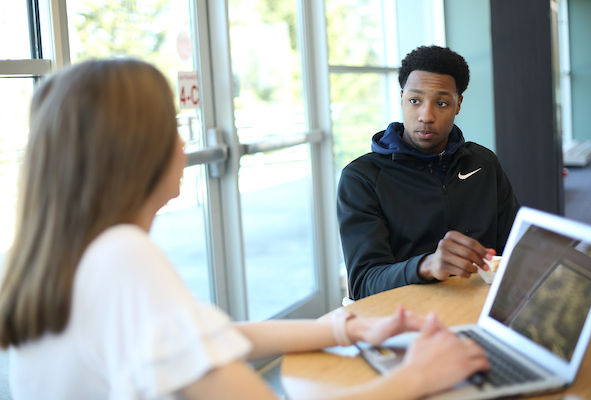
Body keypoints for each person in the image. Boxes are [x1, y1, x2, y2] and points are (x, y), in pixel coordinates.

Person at [0, 59, 488, 400]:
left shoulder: (78, 252)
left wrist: (345, 327)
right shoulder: (122, 257)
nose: (181, 140)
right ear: (135, 150)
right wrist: (418, 376)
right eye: (172, 124)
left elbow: (211, 336)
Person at [338, 45, 520, 300]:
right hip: (405, 317)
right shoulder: (361, 178)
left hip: (481, 306)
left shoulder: (484, 163)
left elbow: (515, 249)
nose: (426, 116)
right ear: (402, 98)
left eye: (442, 103)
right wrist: (427, 266)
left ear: (458, 105)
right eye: (415, 100)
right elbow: (364, 283)